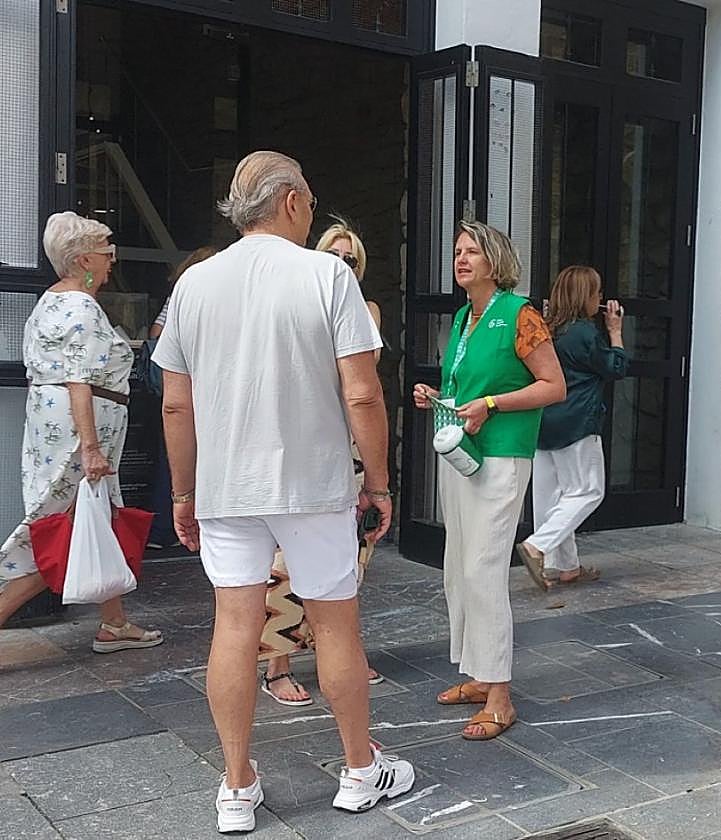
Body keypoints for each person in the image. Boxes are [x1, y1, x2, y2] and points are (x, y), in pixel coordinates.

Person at [153, 150, 413, 833]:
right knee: (335, 624)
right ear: (293, 201)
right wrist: (379, 483)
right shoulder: (328, 274)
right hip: (313, 485)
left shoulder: (196, 285)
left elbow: (175, 406)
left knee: (234, 627)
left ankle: (236, 786)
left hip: (228, 487)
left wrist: (183, 493)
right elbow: (362, 391)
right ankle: (360, 769)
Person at [412, 220, 565, 740]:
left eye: (472, 251)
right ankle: (479, 673)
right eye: (457, 251)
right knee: (457, 567)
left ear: (495, 261)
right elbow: (469, 384)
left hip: (501, 456)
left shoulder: (520, 315)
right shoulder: (462, 317)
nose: (461, 259)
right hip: (462, 452)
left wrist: (493, 404)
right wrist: (438, 395)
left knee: (482, 569)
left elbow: (553, 386)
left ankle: (500, 696)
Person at [0, 212, 162, 653]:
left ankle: (114, 621)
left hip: (59, 427)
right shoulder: (81, 306)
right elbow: (79, 380)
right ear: (85, 258)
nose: (112, 261)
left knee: (94, 519)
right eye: (107, 252)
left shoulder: (52, 301)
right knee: (59, 531)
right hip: (79, 433)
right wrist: (90, 448)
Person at [259, 220, 385, 706]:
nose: (340, 265)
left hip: (350, 443)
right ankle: (278, 663)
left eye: (349, 259)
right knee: (287, 557)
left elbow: (363, 383)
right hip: (303, 444)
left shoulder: (365, 310)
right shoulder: (294, 307)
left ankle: (342, 653)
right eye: (331, 255)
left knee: (353, 552)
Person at [515, 266, 627, 586]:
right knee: (588, 490)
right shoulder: (584, 333)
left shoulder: (547, 328)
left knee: (552, 499)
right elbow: (615, 367)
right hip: (577, 422)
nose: (601, 299)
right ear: (585, 297)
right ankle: (537, 546)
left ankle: (566, 567)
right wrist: (615, 331)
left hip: (543, 419)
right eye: (597, 293)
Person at [146, 246, 218, 550]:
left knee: (175, 456)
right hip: (202, 389)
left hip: (180, 388)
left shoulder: (178, 295)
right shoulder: (212, 296)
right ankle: (189, 526)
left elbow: (156, 332)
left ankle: (164, 527)